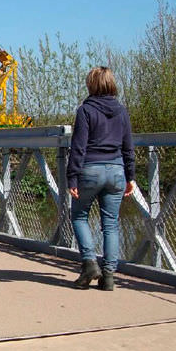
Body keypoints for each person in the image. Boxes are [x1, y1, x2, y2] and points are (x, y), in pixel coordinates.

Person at [67, 67, 135, 291]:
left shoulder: (85, 110)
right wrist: (130, 176)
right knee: (111, 224)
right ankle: (109, 276)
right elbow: (128, 146)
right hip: (116, 170)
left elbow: (79, 146)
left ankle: (89, 264)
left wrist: (72, 177)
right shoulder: (122, 111)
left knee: (79, 215)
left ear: (91, 84)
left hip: (90, 170)